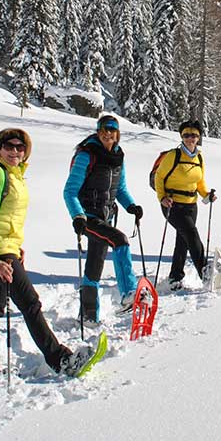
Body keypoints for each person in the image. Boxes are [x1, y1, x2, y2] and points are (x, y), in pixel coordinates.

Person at [0, 127, 92, 384]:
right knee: (30, 304)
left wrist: (15, 248)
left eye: (20, 147)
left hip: (6, 248)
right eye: (9, 146)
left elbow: (9, 218)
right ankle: (60, 359)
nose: (15, 151)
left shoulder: (15, 175)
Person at [63, 114, 143, 322]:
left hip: (106, 217)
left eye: (112, 130)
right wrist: (77, 215)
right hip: (88, 217)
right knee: (120, 241)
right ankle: (129, 293)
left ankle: (88, 316)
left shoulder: (118, 157)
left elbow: (120, 188)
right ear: (98, 132)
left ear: (118, 134)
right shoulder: (87, 155)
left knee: (94, 266)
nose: (108, 133)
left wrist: (131, 206)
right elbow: (70, 191)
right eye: (104, 129)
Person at [154, 119, 216, 290]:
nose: (190, 138)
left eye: (194, 135)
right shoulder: (173, 156)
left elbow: (199, 181)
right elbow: (159, 177)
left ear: (199, 137)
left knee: (183, 240)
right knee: (191, 234)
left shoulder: (199, 157)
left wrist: (206, 195)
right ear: (182, 136)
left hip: (191, 205)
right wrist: (162, 198)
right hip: (172, 204)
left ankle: (175, 276)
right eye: (187, 135)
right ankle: (205, 271)